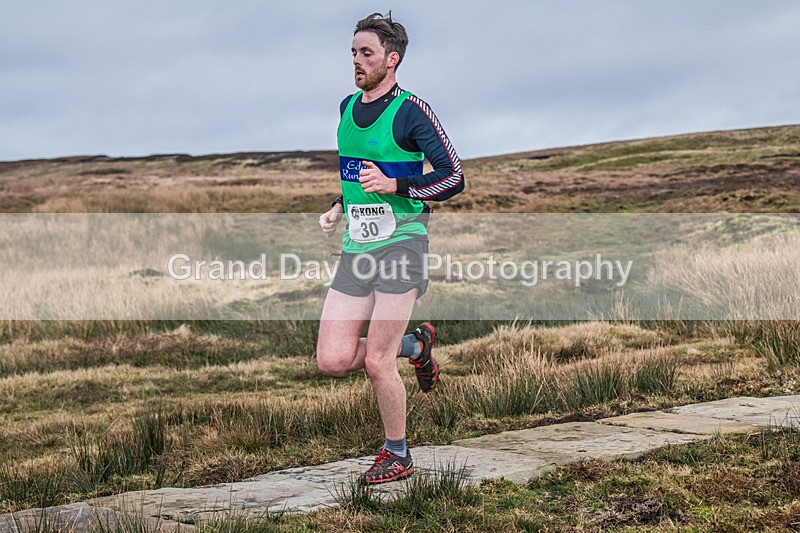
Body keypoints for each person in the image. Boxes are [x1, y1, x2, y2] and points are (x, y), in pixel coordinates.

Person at [316, 11, 464, 484]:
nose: (357, 61)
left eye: (367, 53)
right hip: (357, 245)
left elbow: (453, 177)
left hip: (402, 243)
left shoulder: (411, 111)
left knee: (377, 362)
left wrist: (397, 185)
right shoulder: (346, 107)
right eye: (353, 53)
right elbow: (357, 173)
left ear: (392, 59)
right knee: (332, 359)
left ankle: (397, 454)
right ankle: (415, 345)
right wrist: (339, 205)